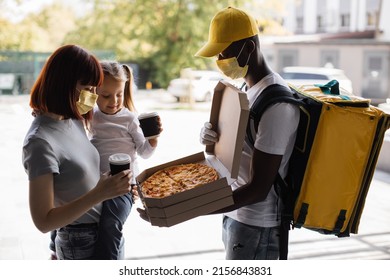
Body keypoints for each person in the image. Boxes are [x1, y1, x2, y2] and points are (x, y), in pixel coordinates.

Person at [195, 7, 300, 260]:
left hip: (257, 225)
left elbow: (258, 188)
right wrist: (212, 137)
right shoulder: (246, 90)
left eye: (224, 52)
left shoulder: (277, 104)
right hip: (235, 215)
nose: (220, 60)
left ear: (249, 47)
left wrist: (192, 207)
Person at [22, 45, 133, 260]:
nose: (93, 96)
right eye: (88, 88)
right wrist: (101, 193)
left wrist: (117, 187)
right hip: (79, 240)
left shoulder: (73, 119)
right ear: (64, 84)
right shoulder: (39, 142)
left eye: (95, 89)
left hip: (106, 231)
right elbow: (43, 221)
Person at [90, 61, 162, 259]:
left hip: (124, 186)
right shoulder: (91, 116)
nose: (114, 100)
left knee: (110, 224)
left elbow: (144, 152)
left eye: (119, 94)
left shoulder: (129, 119)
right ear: (94, 92)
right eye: (106, 95)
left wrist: (153, 140)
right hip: (97, 184)